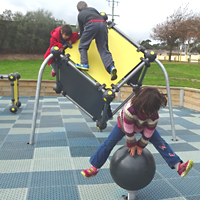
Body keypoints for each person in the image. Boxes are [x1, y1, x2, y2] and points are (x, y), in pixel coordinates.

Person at [81, 86, 194, 178]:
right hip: (124, 125)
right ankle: (95, 167)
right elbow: (129, 130)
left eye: (152, 112)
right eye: (147, 111)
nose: (149, 114)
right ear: (140, 105)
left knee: (160, 142)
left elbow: (149, 131)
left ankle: (178, 166)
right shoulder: (130, 109)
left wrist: (141, 145)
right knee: (108, 143)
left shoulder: (154, 115)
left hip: (144, 126)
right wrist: (133, 144)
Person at [76, 1, 117, 81]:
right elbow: (99, 19)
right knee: (103, 49)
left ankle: (84, 64)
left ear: (78, 10)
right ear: (87, 6)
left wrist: (81, 37)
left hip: (91, 24)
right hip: (103, 24)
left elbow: (82, 30)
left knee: (82, 46)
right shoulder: (93, 9)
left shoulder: (80, 15)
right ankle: (111, 67)